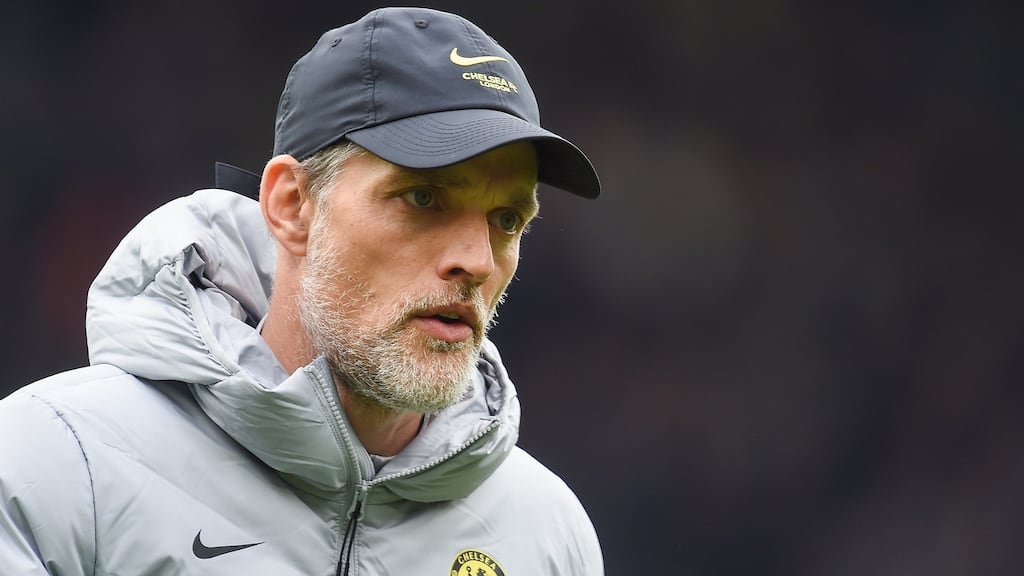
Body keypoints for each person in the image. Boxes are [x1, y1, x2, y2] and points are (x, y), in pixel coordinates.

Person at [0, 6, 603, 576]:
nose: (475, 261)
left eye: (506, 220)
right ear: (292, 206)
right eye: (424, 198)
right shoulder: (52, 462)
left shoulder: (548, 535)